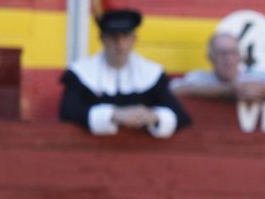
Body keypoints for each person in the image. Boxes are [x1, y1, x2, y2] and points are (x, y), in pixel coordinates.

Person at [59, 8, 192, 138]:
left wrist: (153, 115)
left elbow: (180, 115)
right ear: (101, 38)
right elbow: (68, 111)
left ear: (134, 39)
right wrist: (114, 114)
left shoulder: (152, 73)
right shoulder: (81, 73)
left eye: (125, 36)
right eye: (113, 37)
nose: (120, 44)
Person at [171, 30, 265, 102]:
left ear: (240, 56)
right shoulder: (199, 78)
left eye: (233, 53)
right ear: (211, 58)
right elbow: (173, 90)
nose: (228, 59)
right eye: (222, 53)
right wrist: (228, 91)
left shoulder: (258, 78)